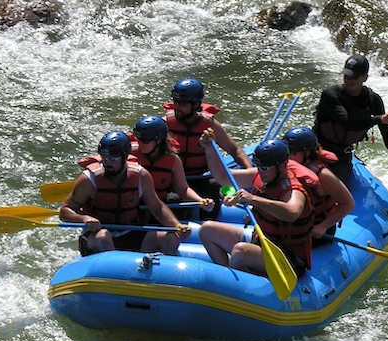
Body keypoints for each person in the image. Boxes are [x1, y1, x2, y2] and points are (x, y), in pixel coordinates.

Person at [198, 132, 313, 278]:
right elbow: (222, 177)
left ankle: (238, 286)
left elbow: (292, 213)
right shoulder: (260, 175)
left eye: (265, 168)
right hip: (260, 242)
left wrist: (252, 199)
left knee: (241, 251)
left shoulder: (294, 190)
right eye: (258, 166)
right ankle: (226, 279)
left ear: (282, 166)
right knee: (207, 229)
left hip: (287, 258)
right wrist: (209, 148)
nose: (260, 171)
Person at [60, 131, 190, 256]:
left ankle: (163, 276)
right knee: (103, 237)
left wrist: (176, 225)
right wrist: (83, 219)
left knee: (171, 238)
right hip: (98, 235)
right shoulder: (89, 179)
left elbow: (157, 207)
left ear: (125, 156)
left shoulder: (141, 175)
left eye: (112, 159)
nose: (107, 163)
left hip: (130, 233)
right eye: (104, 158)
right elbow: (65, 211)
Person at [313, 53, 388, 185]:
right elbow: (347, 123)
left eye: (354, 76)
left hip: (341, 155)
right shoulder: (331, 94)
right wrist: (379, 119)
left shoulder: (373, 100)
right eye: (346, 75)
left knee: (334, 190)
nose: (348, 80)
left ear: (365, 78)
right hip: (318, 149)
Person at [164, 78, 252, 219]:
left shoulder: (209, 125)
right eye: (175, 102)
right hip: (175, 179)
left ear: (196, 104)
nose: (177, 107)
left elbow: (235, 151)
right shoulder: (165, 125)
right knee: (172, 200)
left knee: (213, 188)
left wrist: (249, 174)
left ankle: (208, 229)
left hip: (201, 176)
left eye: (182, 103)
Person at [130, 115, 215, 219]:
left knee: (174, 199)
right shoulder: (129, 154)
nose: (140, 143)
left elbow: (183, 190)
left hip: (159, 205)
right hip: (134, 205)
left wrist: (200, 200)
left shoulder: (173, 160)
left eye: (145, 140)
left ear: (158, 141)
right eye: (138, 139)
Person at [282, 126, 355, 246]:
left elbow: (348, 203)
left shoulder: (323, 175)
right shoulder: (287, 167)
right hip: (294, 225)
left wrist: (323, 226)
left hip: (317, 230)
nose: (287, 156)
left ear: (306, 153)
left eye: (292, 152)